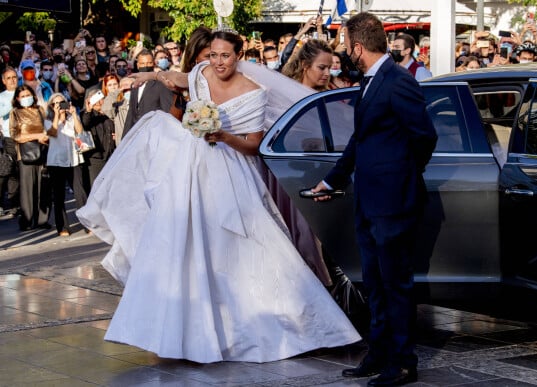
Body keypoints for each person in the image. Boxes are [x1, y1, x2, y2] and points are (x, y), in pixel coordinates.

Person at [76, 29, 361, 364]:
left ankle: (296, 323)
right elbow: (177, 76)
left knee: (249, 246)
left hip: (229, 168)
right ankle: (183, 333)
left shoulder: (254, 93)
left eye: (225, 55)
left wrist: (223, 135)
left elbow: (253, 144)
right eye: (213, 55)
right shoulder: (199, 74)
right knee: (185, 246)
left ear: (238, 55)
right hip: (189, 170)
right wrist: (149, 74)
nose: (218, 62)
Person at [311, 12, 437, 386]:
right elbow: (361, 140)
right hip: (368, 201)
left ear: (358, 47)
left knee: (396, 282)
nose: (343, 52)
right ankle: (379, 353)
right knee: (374, 282)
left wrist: (399, 176)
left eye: (345, 45)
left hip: (394, 201)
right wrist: (331, 179)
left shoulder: (398, 81)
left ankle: (402, 362)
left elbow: (424, 136)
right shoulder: (371, 80)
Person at [10, 84, 52, 231]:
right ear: (17, 98)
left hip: (42, 151)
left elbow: (49, 128)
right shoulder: (15, 113)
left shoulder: (40, 110)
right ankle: (27, 220)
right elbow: (15, 135)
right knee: (28, 189)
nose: (25, 98)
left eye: (28, 95)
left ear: (33, 96)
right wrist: (36, 136)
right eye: (22, 96)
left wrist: (45, 136)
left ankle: (42, 220)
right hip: (25, 154)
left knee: (44, 186)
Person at [45, 93, 85, 236]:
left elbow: (80, 131)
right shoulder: (48, 120)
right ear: (51, 106)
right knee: (59, 195)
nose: (60, 106)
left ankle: (87, 223)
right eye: (56, 103)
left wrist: (73, 115)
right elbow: (53, 133)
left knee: (80, 193)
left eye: (62, 102)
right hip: (56, 161)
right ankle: (62, 227)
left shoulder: (71, 117)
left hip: (73, 158)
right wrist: (57, 115)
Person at [121, 50, 173, 138]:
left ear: (153, 63)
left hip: (155, 135)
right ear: (137, 65)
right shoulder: (134, 85)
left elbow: (168, 112)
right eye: (142, 63)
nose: (145, 66)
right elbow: (131, 113)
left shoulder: (161, 84)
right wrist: (124, 139)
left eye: (149, 63)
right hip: (137, 135)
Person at [81, 88, 115, 187]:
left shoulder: (109, 113)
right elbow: (84, 124)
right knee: (96, 187)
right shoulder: (86, 114)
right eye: (96, 99)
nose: (99, 102)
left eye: (101, 98)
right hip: (96, 157)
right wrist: (89, 110)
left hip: (111, 155)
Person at [0, 67, 20, 218]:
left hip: (27, 136)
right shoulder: (2, 97)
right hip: (9, 137)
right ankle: (13, 205)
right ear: (3, 81)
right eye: (9, 78)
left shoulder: (25, 92)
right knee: (12, 171)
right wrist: (14, 102)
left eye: (14, 77)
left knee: (24, 170)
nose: (13, 80)